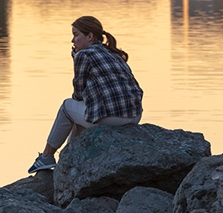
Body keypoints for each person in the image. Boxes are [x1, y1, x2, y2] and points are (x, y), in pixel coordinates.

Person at [28, 16, 144, 173]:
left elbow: (78, 94)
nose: (72, 40)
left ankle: (47, 156)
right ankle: (67, 160)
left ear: (90, 36)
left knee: (66, 107)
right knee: (78, 118)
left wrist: (75, 61)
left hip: (112, 118)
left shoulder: (84, 55)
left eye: (76, 35)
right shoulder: (113, 53)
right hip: (134, 115)